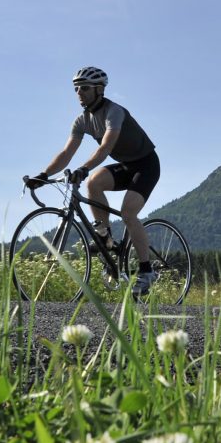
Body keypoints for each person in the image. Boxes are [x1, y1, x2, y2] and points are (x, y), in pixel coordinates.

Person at [25, 66, 162, 297]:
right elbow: (66, 152)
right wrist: (44, 175)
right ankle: (105, 237)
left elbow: (106, 147)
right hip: (125, 166)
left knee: (128, 213)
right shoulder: (82, 121)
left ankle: (147, 271)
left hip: (146, 165)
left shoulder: (114, 112)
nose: (79, 92)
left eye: (85, 88)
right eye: (76, 88)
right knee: (94, 184)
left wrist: (84, 168)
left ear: (99, 89)